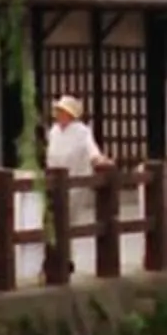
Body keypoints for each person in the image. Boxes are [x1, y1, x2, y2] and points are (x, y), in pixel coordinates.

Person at [44, 93, 107, 235]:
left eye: (62, 111)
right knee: (54, 218)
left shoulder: (82, 131)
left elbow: (91, 149)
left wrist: (99, 159)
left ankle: (68, 252)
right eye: (58, 111)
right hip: (55, 177)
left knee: (69, 219)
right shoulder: (54, 131)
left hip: (76, 177)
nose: (59, 114)